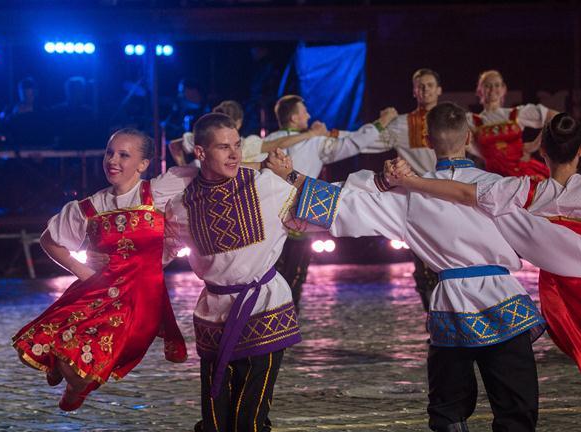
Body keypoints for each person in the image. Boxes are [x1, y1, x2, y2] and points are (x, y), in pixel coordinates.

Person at [328, 102, 581, 432]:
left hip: (451, 310)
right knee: (515, 412)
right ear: (470, 139)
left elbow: (344, 204)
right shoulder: (498, 186)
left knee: (446, 410)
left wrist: (288, 182)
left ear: (427, 143)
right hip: (503, 305)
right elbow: (543, 236)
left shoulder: (407, 193)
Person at [401, 113, 581, 428]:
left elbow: (463, 193)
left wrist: (412, 182)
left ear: (543, 151)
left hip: (558, 292)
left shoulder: (527, 190)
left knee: (580, 341)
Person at [162, 113, 342, 432]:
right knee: (217, 429)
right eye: (223, 147)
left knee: (250, 417)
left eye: (237, 145)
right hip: (213, 315)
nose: (234, 154)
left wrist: (295, 179)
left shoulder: (264, 185)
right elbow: (160, 248)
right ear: (201, 152)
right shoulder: (182, 202)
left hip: (264, 308)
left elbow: (326, 210)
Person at [12, 129, 192, 411]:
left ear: (143, 164)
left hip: (140, 300)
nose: (113, 160)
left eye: (124, 155)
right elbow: (49, 239)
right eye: (110, 152)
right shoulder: (91, 206)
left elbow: (210, 170)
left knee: (79, 366)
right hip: (98, 292)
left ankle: (72, 381)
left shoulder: (156, 192)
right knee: (39, 346)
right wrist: (80, 269)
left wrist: (265, 167)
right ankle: (65, 371)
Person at [266, 94, 399, 310]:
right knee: (295, 277)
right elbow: (353, 143)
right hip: (298, 216)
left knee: (269, 274)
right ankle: (286, 322)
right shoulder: (314, 142)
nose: (308, 115)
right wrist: (381, 123)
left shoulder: (268, 142)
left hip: (270, 218)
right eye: (303, 112)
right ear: (293, 118)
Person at [363, 68, 444, 313]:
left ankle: (453, 318)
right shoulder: (401, 124)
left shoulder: (453, 118)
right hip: (418, 201)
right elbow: (366, 143)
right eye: (421, 86)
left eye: (430, 85)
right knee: (422, 263)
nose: (426, 90)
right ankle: (434, 318)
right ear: (414, 91)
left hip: (449, 197)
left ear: (439, 90)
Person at [168, 100, 327, 167]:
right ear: (239, 122)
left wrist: (184, 168)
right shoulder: (247, 144)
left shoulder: (201, 136)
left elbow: (174, 145)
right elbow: (277, 144)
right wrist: (310, 134)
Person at [468, 70, 557, 180]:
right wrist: (485, 155)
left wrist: (535, 144)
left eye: (497, 85)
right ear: (479, 90)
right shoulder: (472, 120)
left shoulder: (515, 114)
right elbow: (460, 141)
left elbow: (555, 117)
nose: (492, 89)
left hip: (524, 176)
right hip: (496, 179)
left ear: (503, 89)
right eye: (487, 85)